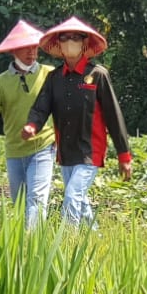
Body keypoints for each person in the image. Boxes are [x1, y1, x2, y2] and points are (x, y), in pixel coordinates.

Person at [21, 16, 132, 227]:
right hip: (66, 150)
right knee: (80, 201)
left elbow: (113, 116)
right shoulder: (54, 79)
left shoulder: (98, 75)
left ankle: (67, 243)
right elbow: (41, 107)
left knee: (72, 196)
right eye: (65, 38)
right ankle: (95, 238)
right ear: (59, 45)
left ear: (84, 43)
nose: (70, 41)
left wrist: (124, 155)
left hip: (91, 150)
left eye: (76, 37)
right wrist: (32, 125)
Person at [0, 20, 57, 229]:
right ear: (13, 50)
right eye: (25, 47)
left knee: (36, 199)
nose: (31, 51)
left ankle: (32, 247)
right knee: (19, 203)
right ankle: (21, 248)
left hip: (43, 146)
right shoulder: (0, 82)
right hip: (14, 151)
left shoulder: (50, 74)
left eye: (35, 46)